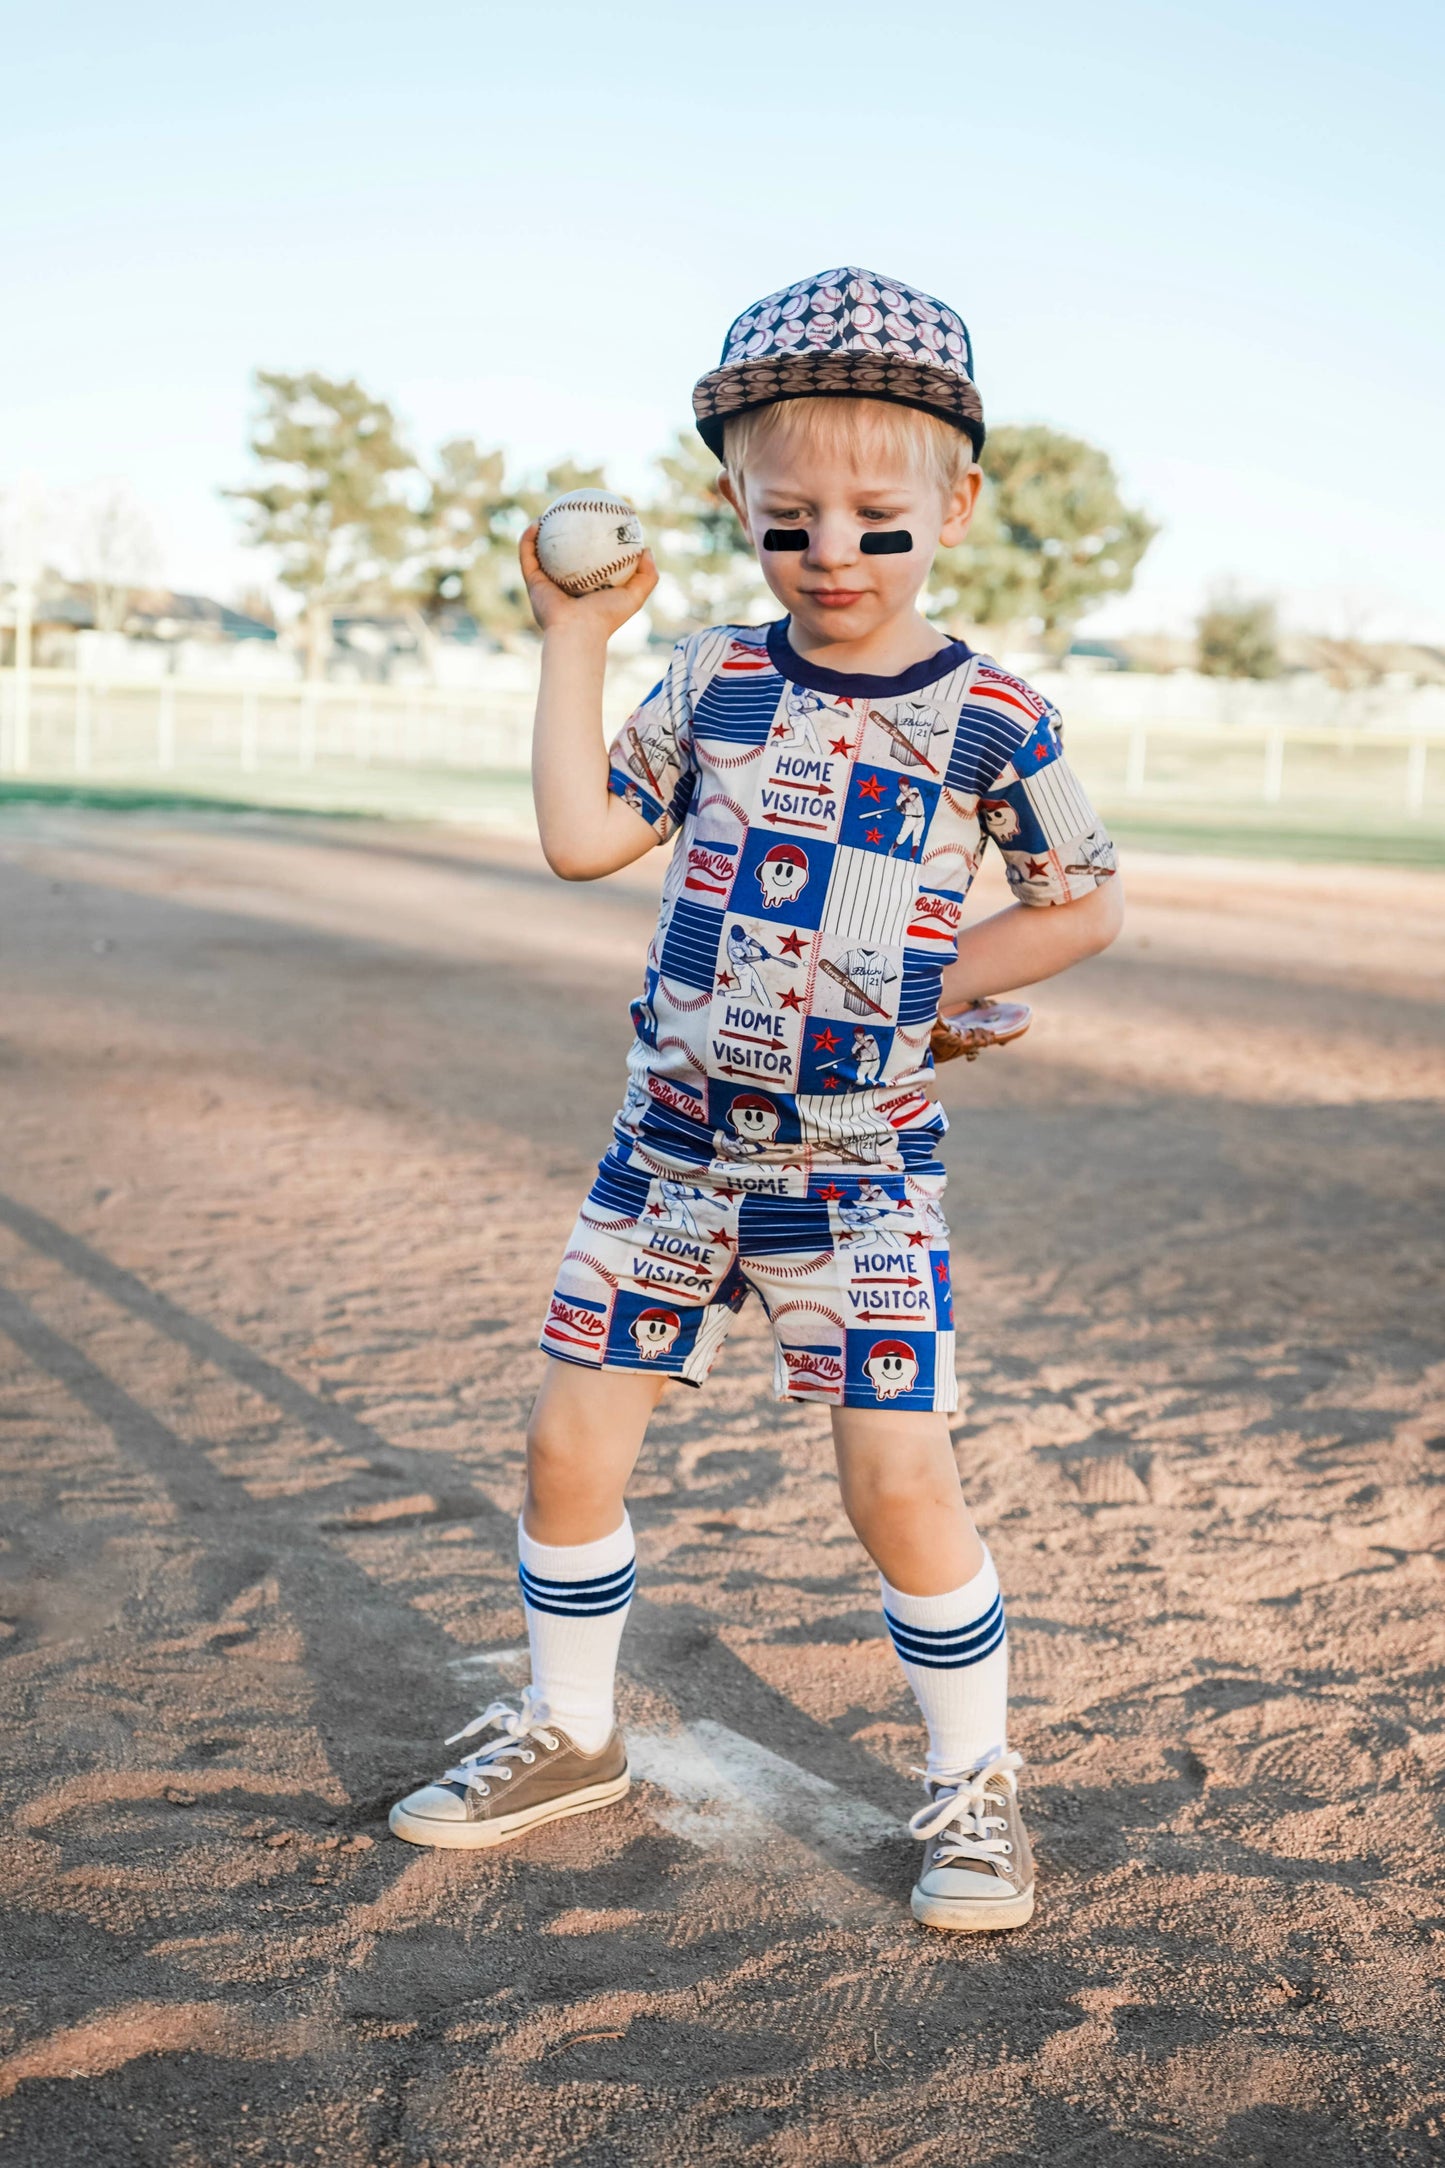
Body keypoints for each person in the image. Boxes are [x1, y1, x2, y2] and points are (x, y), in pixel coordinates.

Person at [390, 267, 1123, 1933]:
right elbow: (588, 838)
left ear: (958, 502)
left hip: (858, 1171)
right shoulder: (715, 682)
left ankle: (972, 1787)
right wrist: (578, 642)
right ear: (735, 504)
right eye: (791, 524)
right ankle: (571, 1731)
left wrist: (929, 989)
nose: (837, 557)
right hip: (671, 1154)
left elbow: (1085, 898)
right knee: (567, 1449)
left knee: (897, 1481)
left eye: (879, 520)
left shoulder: (990, 712)